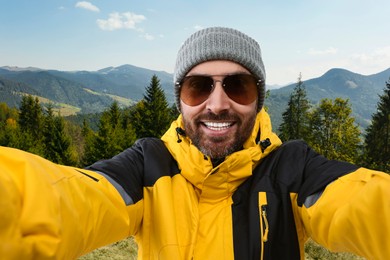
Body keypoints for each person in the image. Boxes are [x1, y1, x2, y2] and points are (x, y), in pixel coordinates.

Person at [0, 27, 389, 260]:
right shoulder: (147, 167)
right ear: (179, 98)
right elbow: (64, 200)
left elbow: (364, 203)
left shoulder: (293, 170)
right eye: (198, 86)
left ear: (259, 97)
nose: (217, 104)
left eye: (238, 85)